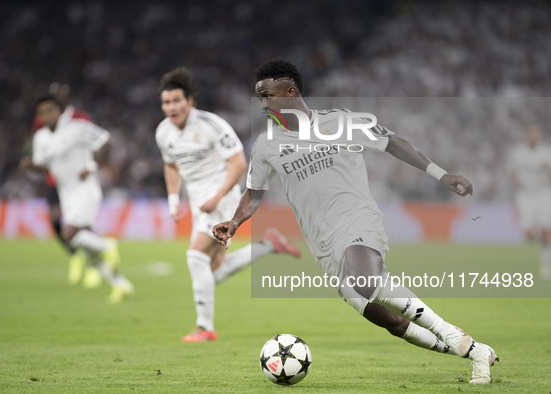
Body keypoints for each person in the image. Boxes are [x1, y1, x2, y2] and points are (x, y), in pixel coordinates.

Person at [213, 59, 498, 384]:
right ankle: (476, 350)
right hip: (322, 243)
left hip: (357, 219)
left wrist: (441, 174)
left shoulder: (341, 121)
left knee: (366, 282)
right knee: (391, 322)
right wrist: (234, 222)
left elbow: (394, 143)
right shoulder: (266, 146)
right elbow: (253, 194)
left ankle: (451, 333)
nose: (263, 104)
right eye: (259, 97)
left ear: (290, 92)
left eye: (268, 96)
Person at [155, 67, 300, 342]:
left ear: (189, 101)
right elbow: (170, 166)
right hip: (201, 203)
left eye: (176, 100)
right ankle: (267, 245)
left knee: (195, 257)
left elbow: (238, 163)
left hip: (223, 200)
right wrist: (174, 199)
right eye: (166, 102)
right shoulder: (164, 133)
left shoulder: (211, 125)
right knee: (213, 272)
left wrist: (217, 196)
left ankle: (205, 328)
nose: (171, 107)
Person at [20, 95, 133, 303]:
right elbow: (43, 166)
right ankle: (120, 284)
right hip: (66, 194)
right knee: (90, 251)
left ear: (59, 111)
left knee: (69, 234)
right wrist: (30, 166)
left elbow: (105, 140)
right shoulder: (41, 138)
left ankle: (108, 245)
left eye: (50, 111)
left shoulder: (76, 128)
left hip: (86, 190)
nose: (47, 116)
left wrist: (91, 166)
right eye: (42, 113)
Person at [27, 83, 102, 288]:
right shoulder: (41, 120)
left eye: (63, 93)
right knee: (55, 220)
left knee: (81, 227)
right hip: (55, 180)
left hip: (77, 182)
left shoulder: (79, 118)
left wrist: (90, 166)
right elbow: (41, 148)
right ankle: (75, 254)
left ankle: (94, 265)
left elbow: (95, 142)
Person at [507, 125, 551, 280]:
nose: (534, 137)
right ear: (526, 135)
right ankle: (538, 233)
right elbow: (510, 172)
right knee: (528, 234)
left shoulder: (547, 152)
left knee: (547, 229)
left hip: (543, 193)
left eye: (537, 134)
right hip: (525, 195)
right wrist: (514, 181)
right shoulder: (518, 153)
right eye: (531, 134)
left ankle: (545, 266)